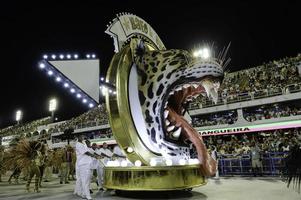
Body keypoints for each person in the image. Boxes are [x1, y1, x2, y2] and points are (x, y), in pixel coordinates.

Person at [74, 136, 97, 200]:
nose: (83, 137)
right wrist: (94, 156)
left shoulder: (83, 143)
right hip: (83, 164)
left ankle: (84, 194)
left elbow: (88, 150)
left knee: (87, 180)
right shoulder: (78, 144)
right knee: (85, 181)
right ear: (78, 138)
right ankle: (87, 195)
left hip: (88, 164)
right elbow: (86, 152)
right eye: (81, 136)